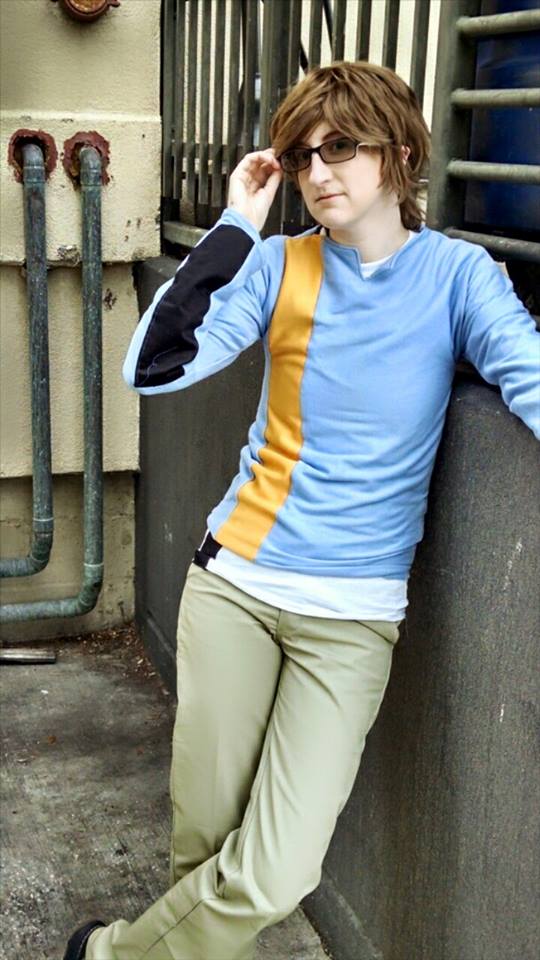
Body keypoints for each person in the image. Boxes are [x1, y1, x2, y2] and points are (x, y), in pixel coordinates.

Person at [64, 61, 539, 960]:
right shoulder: (281, 264)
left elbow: (526, 371)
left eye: (341, 147)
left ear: (400, 155)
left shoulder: (457, 276)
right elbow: (150, 367)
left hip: (352, 619)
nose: (319, 172)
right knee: (204, 847)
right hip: (235, 588)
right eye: (301, 155)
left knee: (274, 873)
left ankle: (105, 955)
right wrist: (237, 227)